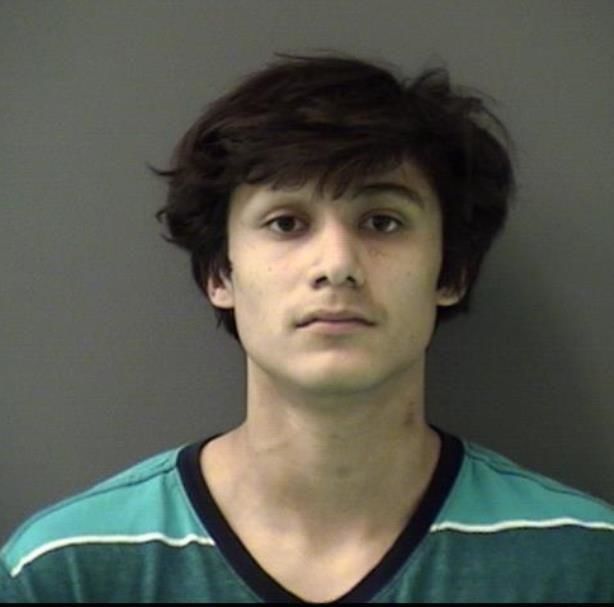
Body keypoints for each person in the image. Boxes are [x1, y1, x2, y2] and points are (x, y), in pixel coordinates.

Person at [2, 52, 613, 604]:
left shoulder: (583, 562)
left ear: (450, 270)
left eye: (382, 221)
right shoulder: (67, 570)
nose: (337, 265)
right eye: (287, 223)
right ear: (220, 273)